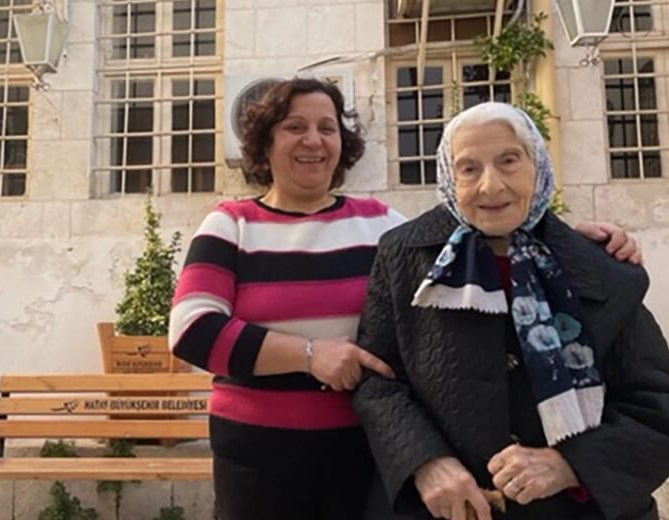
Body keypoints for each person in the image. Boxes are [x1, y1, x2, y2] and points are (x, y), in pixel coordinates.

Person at [167, 80, 642, 520]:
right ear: (265, 144)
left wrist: (561, 240)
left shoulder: (379, 223)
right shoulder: (232, 224)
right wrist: (311, 357)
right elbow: (193, 330)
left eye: (327, 128)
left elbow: (464, 236)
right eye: (295, 127)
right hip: (259, 453)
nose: (313, 140)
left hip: (362, 449)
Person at [353, 101, 669, 520]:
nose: (491, 186)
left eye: (509, 161)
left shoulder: (600, 269)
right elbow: (377, 380)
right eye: (469, 168)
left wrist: (571, 465)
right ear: (447, 175)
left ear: (538, 166)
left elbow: (662, 406)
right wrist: (424, 463)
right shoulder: (403, 256)